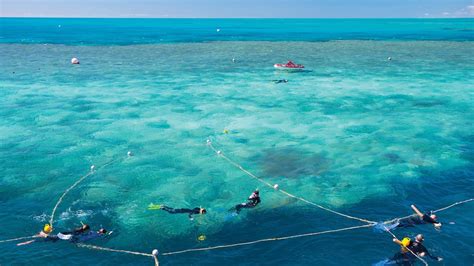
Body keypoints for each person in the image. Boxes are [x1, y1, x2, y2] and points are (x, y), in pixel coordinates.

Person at [16, 223, 91, 246]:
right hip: (61, 236)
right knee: (45, 239)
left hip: (61, 235)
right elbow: (73, 234)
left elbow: (72, 232)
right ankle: (25, 242)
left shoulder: (79, 229)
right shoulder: (80, 231)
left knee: (48, 238)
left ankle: (41, 234)